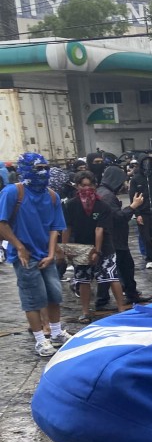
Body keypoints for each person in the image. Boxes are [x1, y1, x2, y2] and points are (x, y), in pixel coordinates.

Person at [0, 153, 71, 356]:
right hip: (24, 255)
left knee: (54, 294)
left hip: (45, 255)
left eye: (45, 167)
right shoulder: (13, 192)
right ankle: (40, 339)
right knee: (33, 297)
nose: (43, 172)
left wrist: (51, 254)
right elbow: (2, 223)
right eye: (38, 168)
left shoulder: (52, 196)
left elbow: (54, 228)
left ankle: (56, 333)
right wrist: (19, 246)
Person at [62, 171, 129, 320]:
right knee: (83, 280)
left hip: (104, 247)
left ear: (95, 185)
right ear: (77, 186)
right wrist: (64, 248)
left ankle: (121, 307)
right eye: (83, 185)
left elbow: (100, 229)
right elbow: (67, 227)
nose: (87, 188)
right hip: (81, 248)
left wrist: (97, 252)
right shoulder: (70, 205)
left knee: (111, 276)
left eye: (90, 185)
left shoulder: (102, 205)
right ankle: (85, 312)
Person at [95, 166, 151, 306]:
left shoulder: (103, 192)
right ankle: (104, 300)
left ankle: (130, 294)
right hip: (114, 239)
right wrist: (133, 206)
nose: (124, 185)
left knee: (120, 268)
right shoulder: (107, 196)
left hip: (114, 238)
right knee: (117, 269)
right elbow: (117, 217)